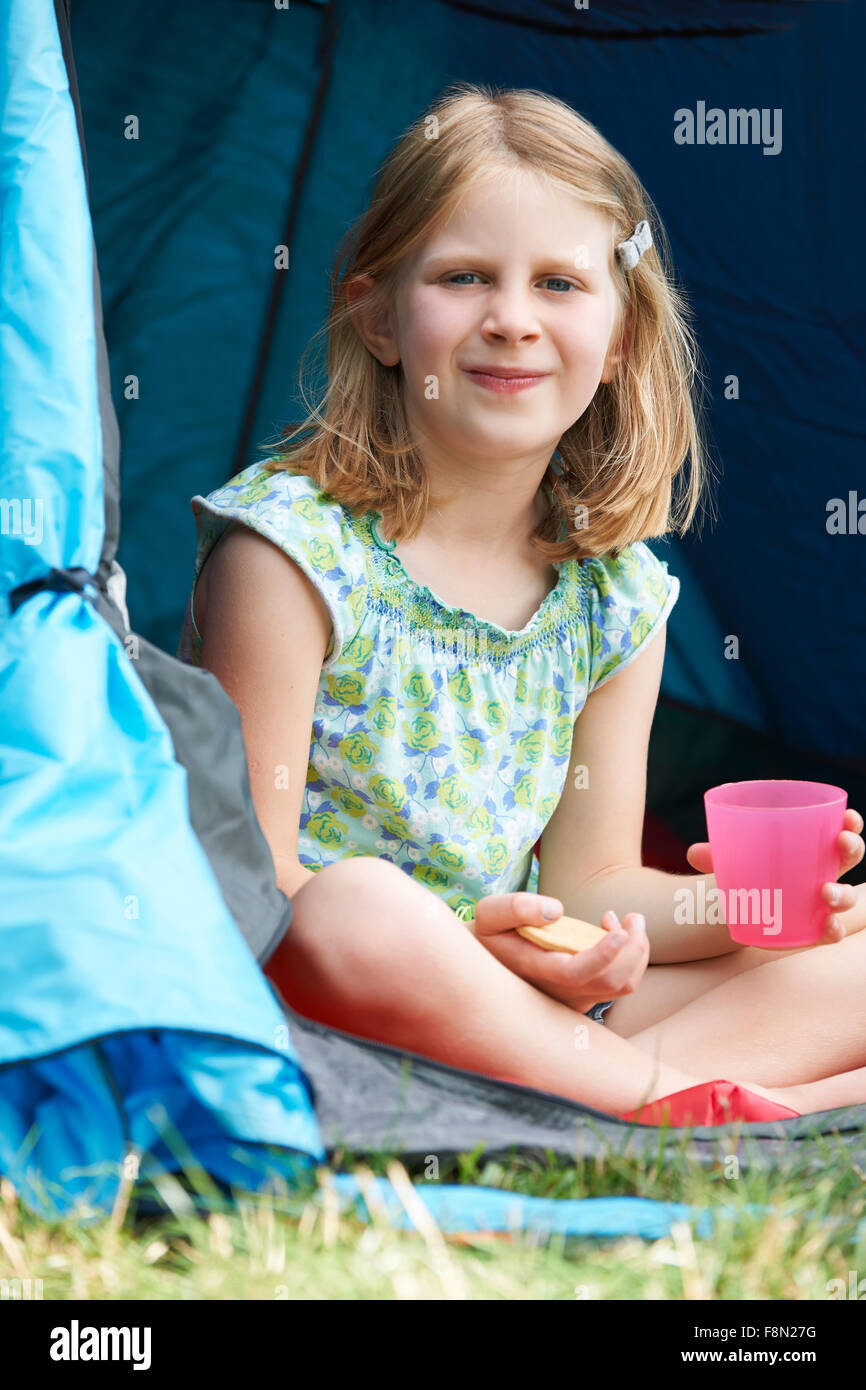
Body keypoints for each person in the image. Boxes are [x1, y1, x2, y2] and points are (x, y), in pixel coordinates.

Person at [178, 82, 865, 1123]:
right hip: (339, 999)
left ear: (621, 333)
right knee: (356, 902)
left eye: (557, 283)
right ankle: (661, 1101)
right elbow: (255, 895)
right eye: (463, 277)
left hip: (530, 1004)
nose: (510, 320)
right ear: (377, 317)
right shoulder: (290, 554)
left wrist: (748, 908)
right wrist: (469, 956)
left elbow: (592, 884)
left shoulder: (613, 594)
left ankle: (633, 1093)